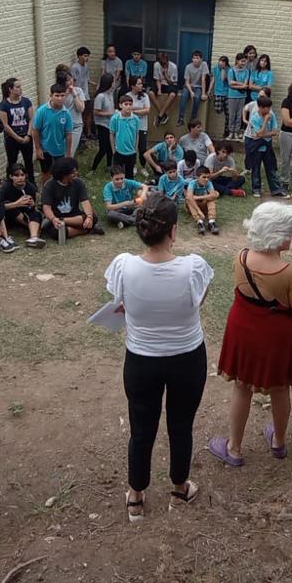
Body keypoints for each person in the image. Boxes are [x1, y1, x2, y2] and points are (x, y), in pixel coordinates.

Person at [104, 193, 213, 520]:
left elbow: (119, 301)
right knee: (181, 424)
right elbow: (196, 303)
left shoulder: (123, 265)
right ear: (174, 231)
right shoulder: (194, 267)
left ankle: (136, 496)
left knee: (141, 427)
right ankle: (180, 489)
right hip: (188, 358)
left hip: (141, 361)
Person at [209, 203, 292, 466]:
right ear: (277, 235)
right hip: (275, 340)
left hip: (243, 331)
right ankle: (278, 442)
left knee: (241, 388)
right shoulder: (290, 274)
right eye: (289, 231)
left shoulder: (241, 257)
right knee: (279, 390)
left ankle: (234, 448)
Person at [41, 157, 103, 242]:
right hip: (56, 217)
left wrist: (89, 217)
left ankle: (68, 225)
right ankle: (86, 230)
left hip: (74, 216)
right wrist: (53, 219)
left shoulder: (79, 183)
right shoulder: (49, 185)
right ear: (64, 174)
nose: (76, 174)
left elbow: (85, 202)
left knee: (93, 217)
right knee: (56, 232)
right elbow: (46, 207)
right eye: (73, 172)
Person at [0, 165, 47, 248]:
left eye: (22, 175)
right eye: (16, 175)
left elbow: (32, 209)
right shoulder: (6, 188)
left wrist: (32, 204)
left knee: (36, 214)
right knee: (9, 207)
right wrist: (16, 203)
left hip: (25, 214)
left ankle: (33, 238)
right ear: (10, 177)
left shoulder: (30, 187)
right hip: (10, 216)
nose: (20, 178)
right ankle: (35, 230)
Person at [0, 78, 35, 183]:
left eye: (20, 86)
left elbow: (31, 119)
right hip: (12, 139)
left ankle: (31, 182)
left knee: (29, 162)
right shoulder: (3, 105)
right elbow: (5, 125)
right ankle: (11, 183)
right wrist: (17, 138)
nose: (20, 89)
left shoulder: (26, 101)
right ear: (10, 89)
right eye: (17, 87)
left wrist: (28, 135)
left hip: (26, 136)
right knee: (12, 162)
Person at [244, 96, 285, 199]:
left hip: (267, 145)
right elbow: (259, 133)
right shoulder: (254, 118)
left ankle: (276, 189)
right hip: (257, 146)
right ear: (260, 107)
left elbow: (274, 132)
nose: (268, 110)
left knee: (271, 167)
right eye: (266, 108)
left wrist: (263, 134)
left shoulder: (272, 114)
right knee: (256, 168)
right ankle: (256, 189)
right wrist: (265, 122)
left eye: (269, 108)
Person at [110, 95, 141, 179]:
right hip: (119, 151)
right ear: (120, 105)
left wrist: (135, 149)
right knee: (117, 174)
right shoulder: (115, 118)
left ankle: (128, 190)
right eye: (126, 104)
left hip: (131, 152)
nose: (128, 106)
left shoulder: (136, 119)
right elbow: (112, 134)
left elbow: (137, 134)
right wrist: (114, 150)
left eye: (130, 104)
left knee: (129, 174)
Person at [90, 73, 116, 173]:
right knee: (103, 148)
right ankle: (93, 168)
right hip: (102, 125)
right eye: (113, 81)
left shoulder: (110, 94)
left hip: (110, 125)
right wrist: (110, 113)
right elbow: (96, 112)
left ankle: (109, 165)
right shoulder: (100, 96)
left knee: (110, 147)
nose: (114, 83)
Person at [178, 50, 210, 126]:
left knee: (197, 97)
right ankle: (181, 118)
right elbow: (186, 82)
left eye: (197, 58)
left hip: (198, 87)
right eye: (194, 58)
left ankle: (193, 119)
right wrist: (191, 91)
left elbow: (203, 79)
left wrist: (203, 93)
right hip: (188, 86)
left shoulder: (204, 64)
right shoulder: (188, 67)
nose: (195, 60)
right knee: (184, 97)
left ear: (201, 59)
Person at [223, 53, 251, 139]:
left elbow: (246, 84)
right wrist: (241, 85)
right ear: (237, 61)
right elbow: (230, 84)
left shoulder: (246, 71)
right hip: (232, 96)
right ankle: (231, 132)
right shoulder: (231, 70)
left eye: (244, 61)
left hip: (242, 96)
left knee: (239, 115)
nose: (243, 63)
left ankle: (236, 132)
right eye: (242, 61)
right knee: (232, 115)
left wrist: (239, 85)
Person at [186, 168, 220, 235]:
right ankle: (199, 222)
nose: (206, 179)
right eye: (204, 177)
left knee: (212, 198)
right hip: (194, 208)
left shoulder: (208, 183)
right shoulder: (192, 183)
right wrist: (199, 211)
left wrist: (198, 197)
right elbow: (189, 197)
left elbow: (213, 195)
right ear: (197, 177)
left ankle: (211, 222)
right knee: (189, 200)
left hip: (203, 205)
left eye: (208, 177)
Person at [127, 78, 152, 166]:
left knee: (142, 148)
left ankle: (143, 166)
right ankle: (133, 165)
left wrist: (134, 111)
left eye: (141, 83)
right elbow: (126, 110)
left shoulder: (145, 96)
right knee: (132, 147)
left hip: (142, 126)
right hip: (131, 126)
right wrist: (141, 109)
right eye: (139, 84)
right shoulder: (128, 96)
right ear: (133, 86)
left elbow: (147, 110)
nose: (141, 85)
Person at [71, 47, 95, 140]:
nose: (86, 58)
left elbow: (87, 79)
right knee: (81, 114)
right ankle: (81, 134)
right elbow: (74, 81)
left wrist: (94, 84)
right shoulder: (75, 67)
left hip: (86, 93)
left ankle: (88, 132)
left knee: (88, 113)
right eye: (85, 56)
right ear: (79, 56)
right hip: (79, 94)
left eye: (88, 56)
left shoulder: (86, 66)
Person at [151, 52, 178, 126]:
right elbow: (157, 79)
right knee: (151, 93)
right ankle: (163, 114)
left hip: (170, 83)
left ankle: (159, 116)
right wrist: (159, 90)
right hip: (160, 83)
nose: (164, 66)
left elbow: (172, 82)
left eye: (165, 64)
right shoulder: (156, 65)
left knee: (172, 95)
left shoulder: (173, 67)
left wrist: (165, 75)